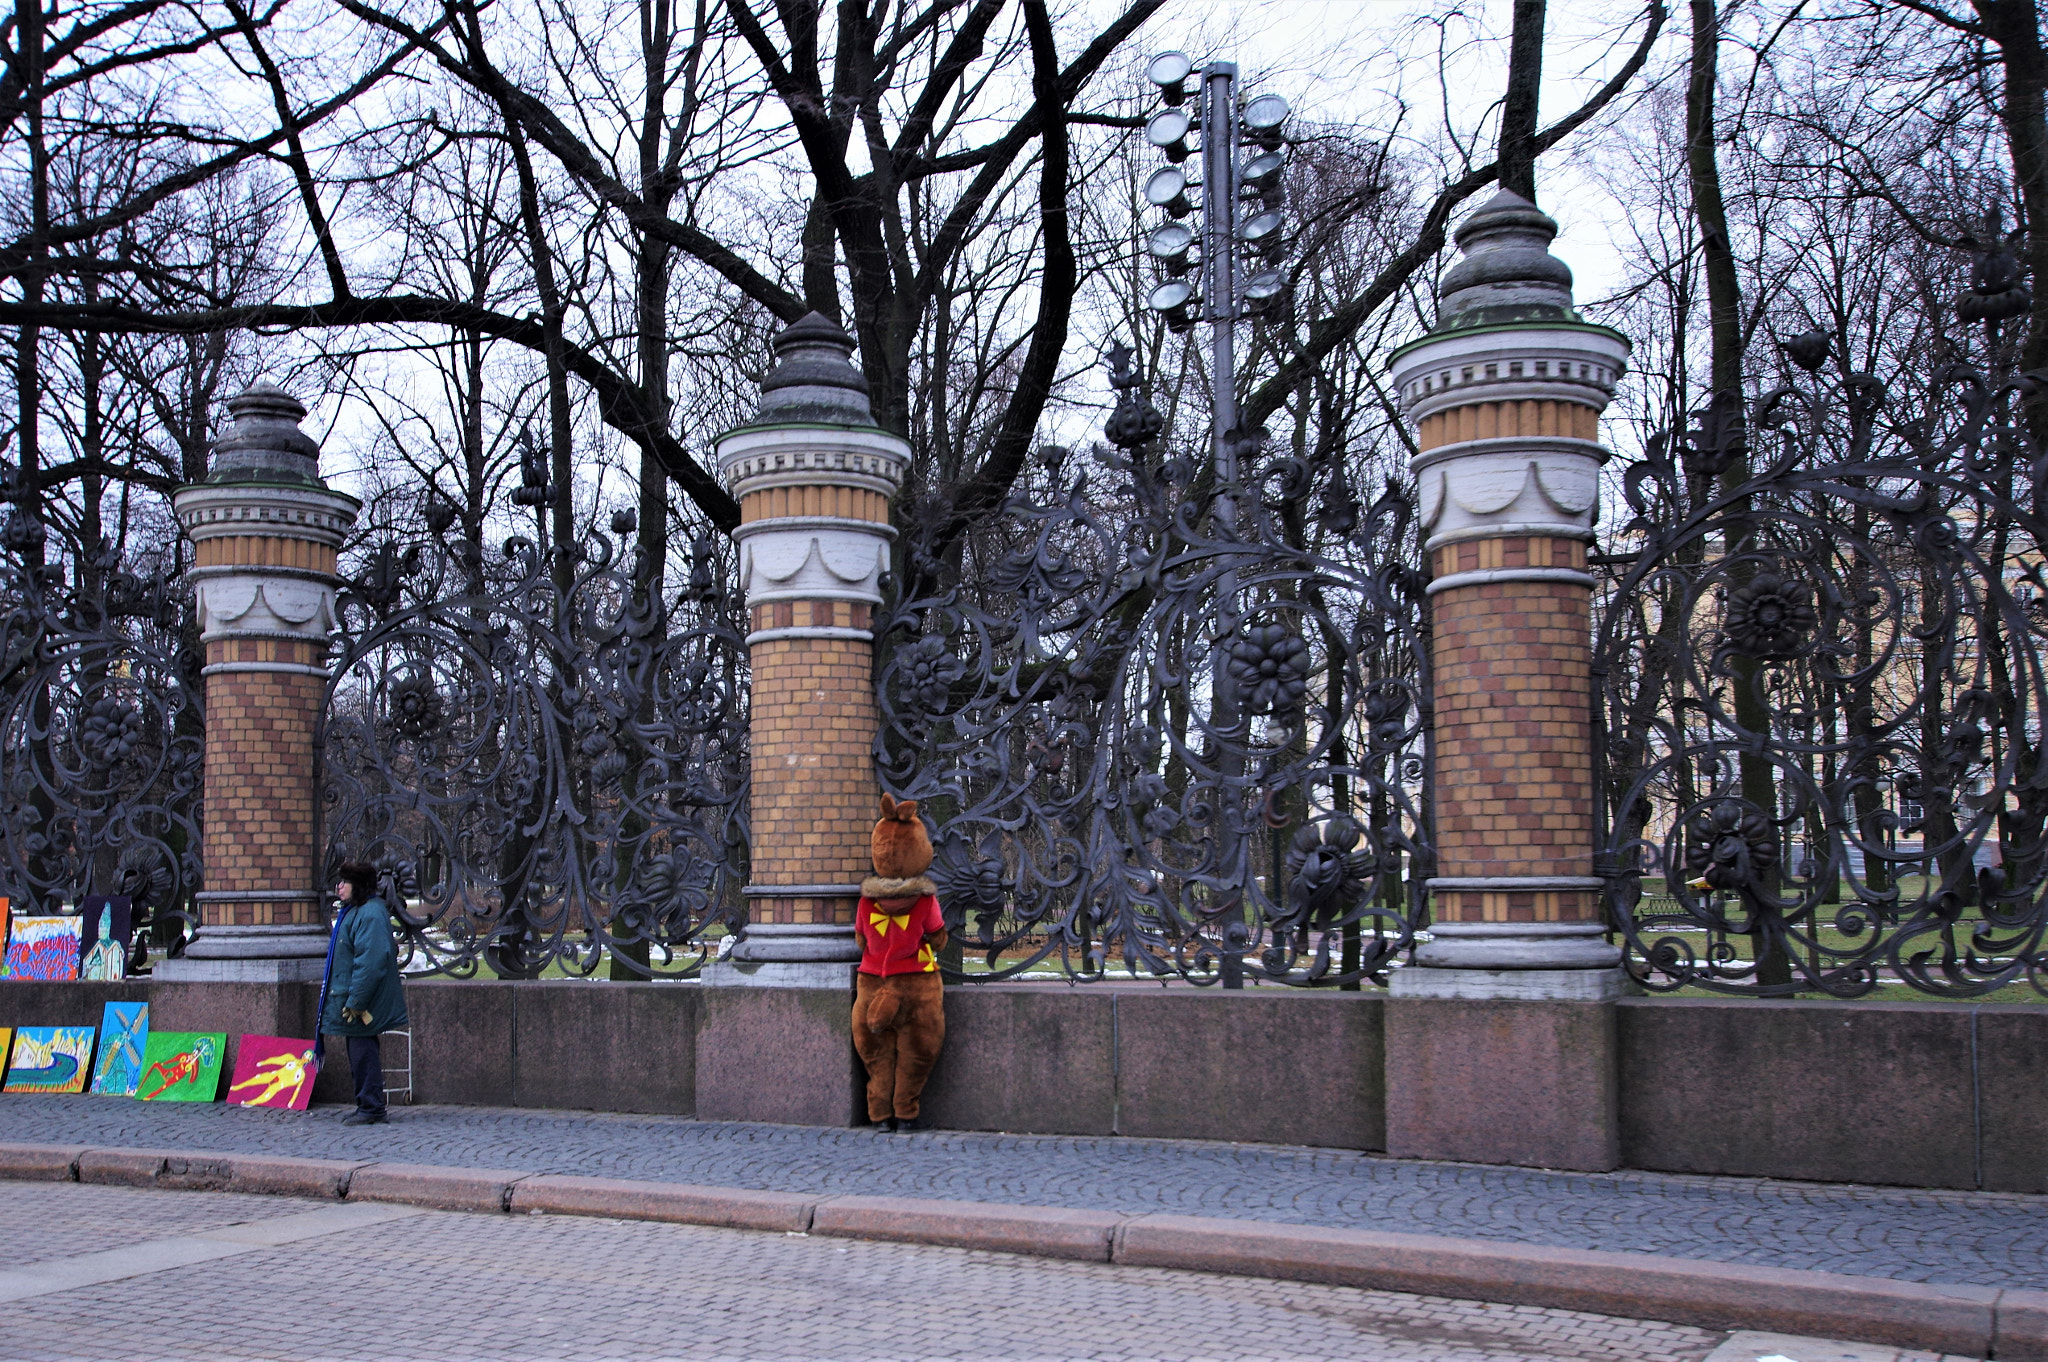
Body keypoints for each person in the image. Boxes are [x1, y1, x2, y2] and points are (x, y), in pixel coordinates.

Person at [318, 861, 408, 1125]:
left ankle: (371, 1107)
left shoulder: (369, 914)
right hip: (354, 1000)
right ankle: (367, 1104)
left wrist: (357, 1000)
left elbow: (370, 960)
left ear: (357, 886)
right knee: (359, 1050)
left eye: (344, 882)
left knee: (363, 1051)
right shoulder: (357, 911)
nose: (339, 887)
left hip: (362, 1003)